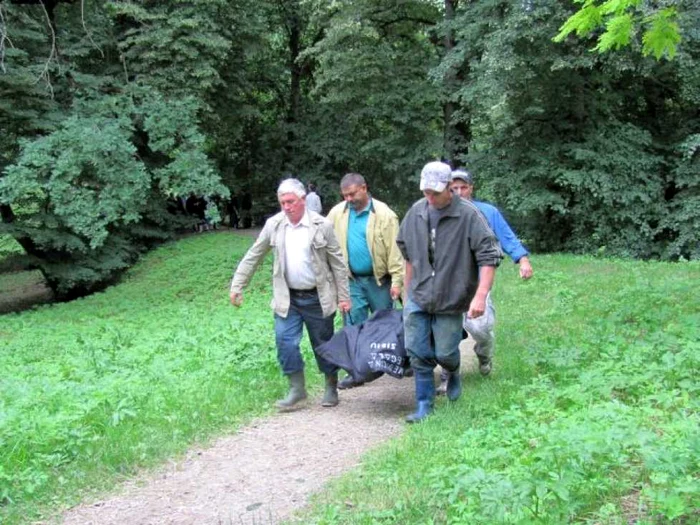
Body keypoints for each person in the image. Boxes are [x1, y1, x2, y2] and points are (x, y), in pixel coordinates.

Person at [229, 178, 352, 409]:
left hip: (317, 297)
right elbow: (254, 255)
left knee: (323, 344)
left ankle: (330, 386)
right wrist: (238, 285)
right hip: (288, 299)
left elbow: (337, 262)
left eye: (290, 201)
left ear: (303, 200)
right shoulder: (274, 225)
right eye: (282, 202)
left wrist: (344, 296)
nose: (286, 207)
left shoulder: (321, 225)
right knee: (285, 342)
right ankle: (297, 389)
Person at [396, 161, 502, 423]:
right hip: (419, 294)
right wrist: (407, 294)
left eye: (434, 192)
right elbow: (407, 253)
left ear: (449, 188)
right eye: (425, 192)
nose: (429, 197)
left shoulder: (468, 215)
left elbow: (489, 256)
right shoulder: (417, 212)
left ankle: (452, 371)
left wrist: (480, 295)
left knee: (445, 351)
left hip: (452, 296)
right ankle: (424, 405)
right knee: (417, 350)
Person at [436, 168, 534, 393]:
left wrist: (523, 260)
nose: (459, 192)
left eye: (463, 187)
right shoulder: (440, 211)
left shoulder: (487, 212)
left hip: (478, 282)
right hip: (448, 283)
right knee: (446, 329)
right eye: (454, 188)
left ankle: (484, 354)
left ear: (471, 188)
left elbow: (507, 237)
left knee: (480, 328)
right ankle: (448, 374)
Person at [326, 173, 404, 389]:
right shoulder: (337, 213)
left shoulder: (385, 214)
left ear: (364, 188)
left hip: (380, 281)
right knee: (354, 326)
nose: (349, 199)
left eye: (352, 194)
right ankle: (356, 373)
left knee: (383, 325)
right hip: (351, 280)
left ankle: (387, 363)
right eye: (345, 195)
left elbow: (395, 252)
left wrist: (397, 281)